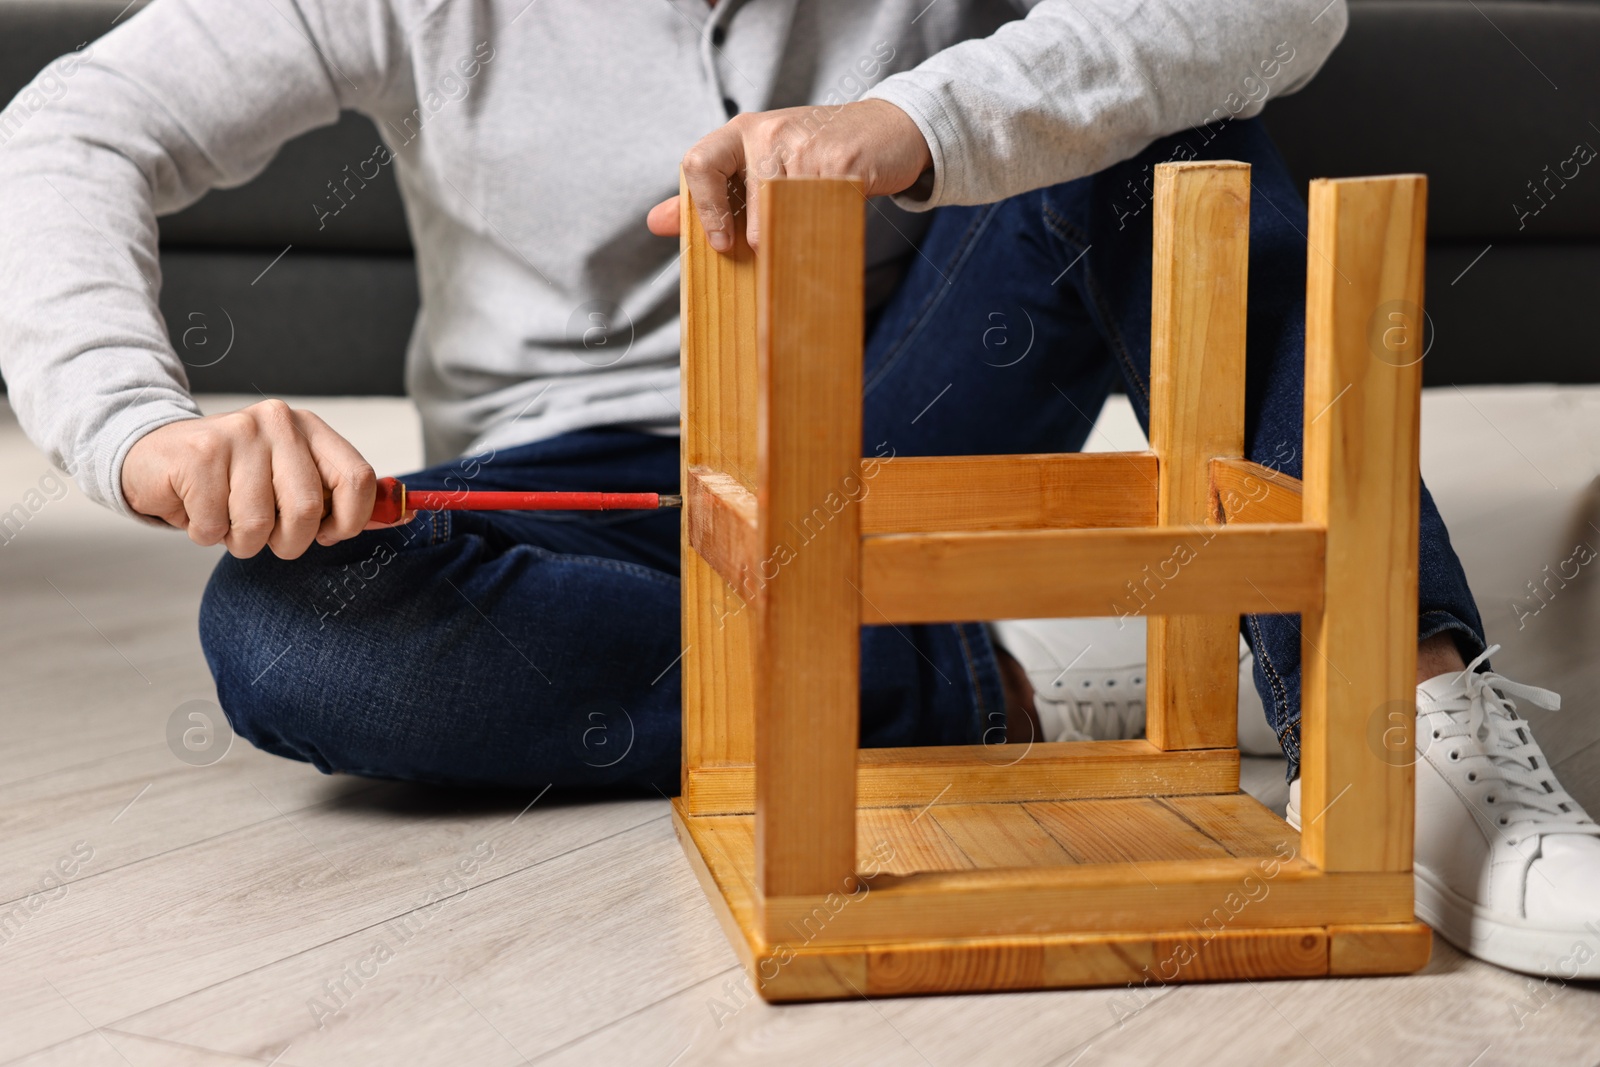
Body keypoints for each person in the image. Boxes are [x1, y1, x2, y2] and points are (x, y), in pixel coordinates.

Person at [0, 0, 1593, 979]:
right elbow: (70, 126)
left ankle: (1395, 700)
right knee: (295, 634)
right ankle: (1015, 674)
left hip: (888, 421)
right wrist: (139, 429)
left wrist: (920, 120)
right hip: (572, 471)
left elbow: (1267, 11)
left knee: (1170, 129)